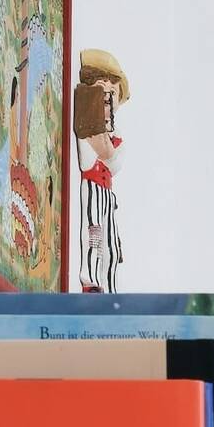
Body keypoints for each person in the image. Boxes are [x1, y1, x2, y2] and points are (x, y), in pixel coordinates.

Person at [74, 49, 130, 294]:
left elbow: (115, 162)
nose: (107, 96)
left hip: (108, 193)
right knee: (94, 231)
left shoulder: (116, 135)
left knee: (112, 243)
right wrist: (104, 148)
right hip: (93, 188)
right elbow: (89, 162)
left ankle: (110, 286)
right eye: (101, 88)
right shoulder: (87, 125)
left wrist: (105, 148)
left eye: (113, 92)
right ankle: (92, 280)